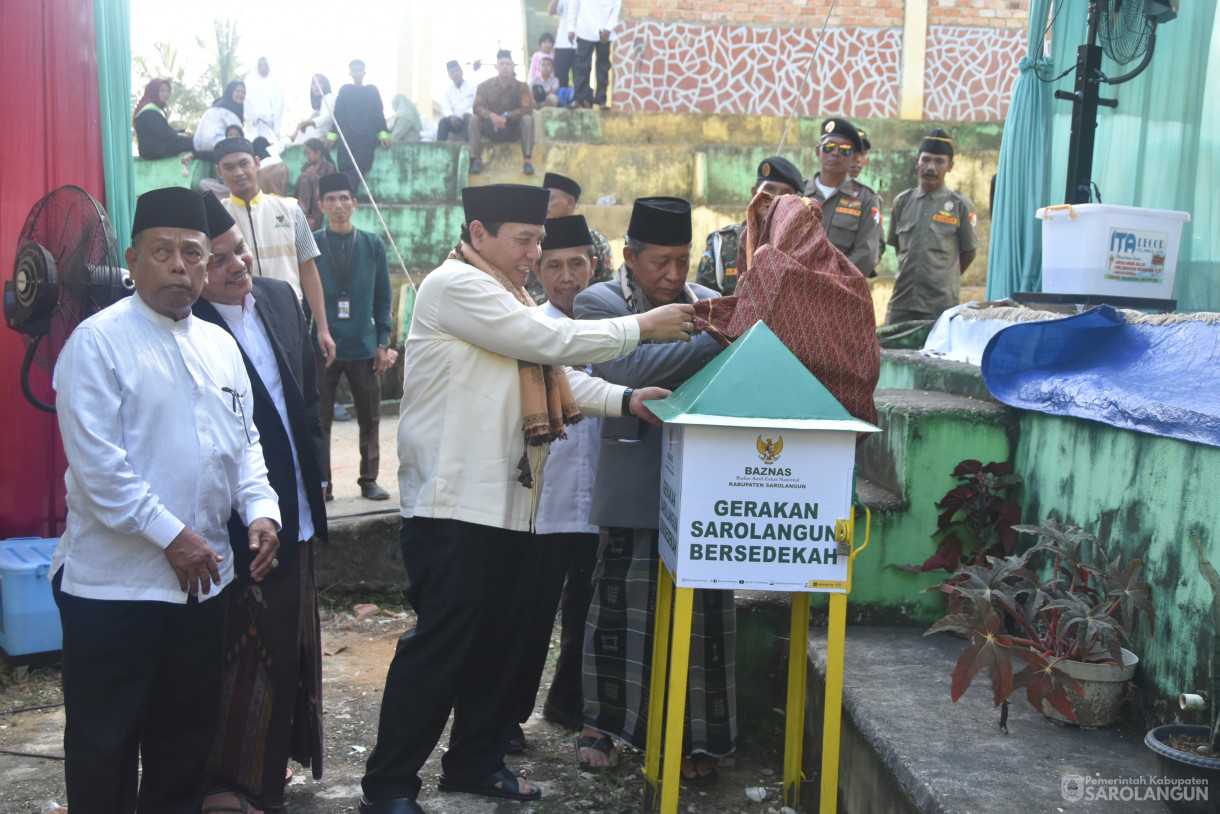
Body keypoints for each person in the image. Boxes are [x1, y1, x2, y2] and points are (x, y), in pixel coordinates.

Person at [356, 183, 697, 814]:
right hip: (452, 505)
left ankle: (475, 764)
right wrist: (643, 327)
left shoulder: (510, 297)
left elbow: (562, 379)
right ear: (478, 234)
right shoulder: (454, 287)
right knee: (440, 648)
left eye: (539, 239)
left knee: (503, 645)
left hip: (514, 502)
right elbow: (552, 345)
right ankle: (389, 786)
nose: (534, 252)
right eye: (525, 240)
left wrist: (627, 400)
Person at [50, 186, 281, 814]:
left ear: (208, 264)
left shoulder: (218, 345)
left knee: (184, 740)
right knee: (105, 743)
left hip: (200, 587)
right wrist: (173, 537)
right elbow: (100, 470)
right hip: (114, 590)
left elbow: (246, 441)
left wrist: (261, 511)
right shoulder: (97, 344)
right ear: (132, 259)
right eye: (162, 252)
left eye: (193, 253)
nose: (180, 265)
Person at [573, 196, 733, 783]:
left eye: (682, 261)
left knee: (703, 618)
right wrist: (723, 337)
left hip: (702, 489)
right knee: (621, 613)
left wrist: (716, 327)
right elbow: (626, 369)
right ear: (629, 257)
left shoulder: (700, 303)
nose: (673, 275)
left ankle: (698, 738)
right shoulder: (599, 302)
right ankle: (605, 727)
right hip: (635, 488)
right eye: (660, 262)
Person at [193, 192, 327, 814]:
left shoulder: (279, 297)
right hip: (233, 522)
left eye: (238, 250)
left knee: (291, 648)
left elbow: (303, 401)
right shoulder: (187, 325)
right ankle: (225, 784)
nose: (235, 265)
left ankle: (269, 780)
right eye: (217, 259)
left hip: (292, 510)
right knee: (240, 654)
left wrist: (316, 478)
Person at [511, 215, 605, 740]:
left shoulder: (612, 323)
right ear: (539, 271)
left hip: (598, 502)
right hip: (543, 502)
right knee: (529, 614)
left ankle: (569, 703)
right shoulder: (528, 327)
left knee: (587, 614)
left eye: (576, 264)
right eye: (554, 266)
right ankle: (506, 717)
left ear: (594, 266)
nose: (566, 277)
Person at [213, 136, 337, 365]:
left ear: (257, 163)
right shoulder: (216, 218)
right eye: (229, 167)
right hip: (240, 325)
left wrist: (322, 328)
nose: (238, 172)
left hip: (288, 318)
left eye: (244, 163)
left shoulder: (290, 209)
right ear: (219, 171)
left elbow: (308, 271)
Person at [310, 173, 395, 502]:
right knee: (320, 420)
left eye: (344, 198)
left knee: (370, 417)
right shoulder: (313, 243)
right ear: (321, 205)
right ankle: (323, 484)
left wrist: (383, 341)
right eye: (330, 199)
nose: (338, 205)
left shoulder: (372, 243)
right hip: (323, 346)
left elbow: (383, 297)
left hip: (363, 345)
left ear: (355, 203)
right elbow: (305, 297)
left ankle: (369, 479)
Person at [885, 128, 978, 324]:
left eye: (939, 161)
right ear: (916, 162)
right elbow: (899, 248)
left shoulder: (960, 205)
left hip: (940, 305)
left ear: (950, 166)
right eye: (926, 160)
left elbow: (969, 252)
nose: (931, 167)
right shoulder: (902, 201)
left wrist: (944, 276)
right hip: (903, 300)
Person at [696, 156, 804, 295]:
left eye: (785, 193)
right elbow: (703, 306)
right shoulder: (721, 244)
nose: (776, 198)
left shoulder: (803, 246)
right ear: (754, 193)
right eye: (769, 189)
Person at [802, 117, 882, 278]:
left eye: (845, 149)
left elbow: (867, 254)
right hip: (796, 288)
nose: (835, 153)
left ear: (854, 157)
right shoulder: (798, 192)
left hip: (840, 291)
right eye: (829, 147)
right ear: (818, 152)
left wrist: (829, 279)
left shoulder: (866, 199)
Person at [468, 50, 534, 176]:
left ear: (513, 67)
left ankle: (527, 161)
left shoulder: (521, 87)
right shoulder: (484, 86)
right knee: (474, 119)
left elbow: (527, 108)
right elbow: (477, 107)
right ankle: (475, 160)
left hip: (512, 128)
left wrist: (506, 116)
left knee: (528, 119)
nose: (505, 67)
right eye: (502, 64)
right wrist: (491, 116)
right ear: (496, 67)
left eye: (508, 64)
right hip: (491, 128)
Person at [541, 171, 615, 283]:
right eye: (543, 199)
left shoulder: (595, 240)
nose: (544, 204)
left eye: (550, 199)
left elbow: (606, 283)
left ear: (570, 202)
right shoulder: (535, 239)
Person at [331, 59, 392, 189]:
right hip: (347, 140)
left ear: (364, 72)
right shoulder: (344, 90)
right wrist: (331, 137)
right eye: (354, 70)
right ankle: (347, 196)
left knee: (359, 170)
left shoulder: (372, 91)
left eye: (359, 70)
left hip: (366, 141)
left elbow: (378, 115)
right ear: (350, 73)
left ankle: (347, 195)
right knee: (344, 169)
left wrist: (384, 136)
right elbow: (338, 115)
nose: (357, 73)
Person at [566, 0, 621, 109]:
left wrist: (609, 28)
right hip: (584, 29)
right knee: (582, 67)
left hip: (604, 31)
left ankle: (601, 101)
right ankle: (578, 99)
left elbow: (616, 6)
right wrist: (571, 28)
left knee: (603, 67)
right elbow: (574, 6)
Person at [133, 78, 194, 159]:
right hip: (153, 150)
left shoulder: (154, 108)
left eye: (168, 91)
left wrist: (185, 134)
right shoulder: (149, 110)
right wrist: (184, 135)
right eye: (161, 91)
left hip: (156, 147)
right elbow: (163, 133)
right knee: (193, 143)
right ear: (154, 91)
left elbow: (165, 131)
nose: (166, 94)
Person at [852, 126, 886, 268]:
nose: (857, 159)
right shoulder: (807, 190)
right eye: (853, 151)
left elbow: (877, 246)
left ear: (867, 160)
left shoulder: (871, 198)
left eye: (863, 153)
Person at [194, 81, 246, 158]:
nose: (240, 95)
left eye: (243, 92)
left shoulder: (219, 104)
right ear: (231, 91)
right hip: (215, 146)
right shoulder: (228, 109)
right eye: (237, 91)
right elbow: (237, 136)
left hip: (200, 146)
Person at [296, 138, 337, 230]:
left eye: (308, 153)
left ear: (318, 152)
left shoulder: (328, 167)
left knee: (312, 179)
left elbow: (329, 187)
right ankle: (303, 214)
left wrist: (315, 176)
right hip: (307, 202)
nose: (307, 156)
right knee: (303, 177)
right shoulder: (306, 166)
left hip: (320, 202)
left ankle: (311, 218)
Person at [244, 56, 286, 142]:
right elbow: (247, 103)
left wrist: (272, 120)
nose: (263, 68)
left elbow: (280, 104)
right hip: (256, 124)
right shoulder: (249, 83)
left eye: (265, 65)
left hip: (271, 124)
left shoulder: (275, 83)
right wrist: (256, 118)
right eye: (260, 66)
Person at [437, 60, 476, 143]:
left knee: (470, 123)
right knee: (443, 123)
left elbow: (478, 103)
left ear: (461, 72)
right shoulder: (448, 91)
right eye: (451, 72)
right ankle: (438, 149)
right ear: (449, 76)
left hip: (469, 118)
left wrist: (470, 113)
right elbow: (445, 107)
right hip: (455, 121)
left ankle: (469, 152)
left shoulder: (474, 86)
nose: (455, 74)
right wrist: (451, 116)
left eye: (457, 71)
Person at [548, 0, 577, 106]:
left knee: (580, 79)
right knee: (560, 79)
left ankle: (577, 102)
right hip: (562, 44)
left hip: (581, 45)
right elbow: (551, 11)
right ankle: (561, 105)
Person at [293, 74, 337, 144]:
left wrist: (309, 123)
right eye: (313, 83)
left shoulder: (329, 97)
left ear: (325, 84)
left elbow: (327, 117)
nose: (316, 86)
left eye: (319, 82)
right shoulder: (317, 105)